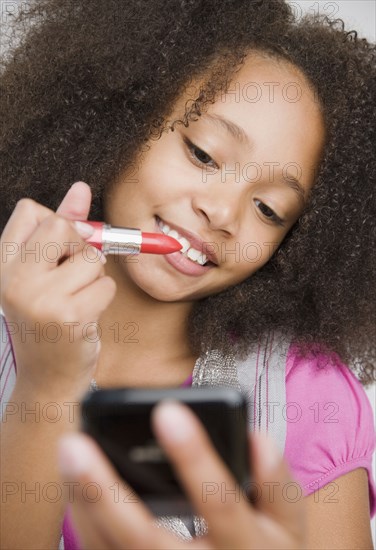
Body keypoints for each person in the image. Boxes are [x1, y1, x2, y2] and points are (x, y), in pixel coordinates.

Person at [1, 0, 375, 548]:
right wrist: (45, 384)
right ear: (121, 115)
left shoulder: (304, 396)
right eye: (203, 153)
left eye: (269, 210)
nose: (222, 214)